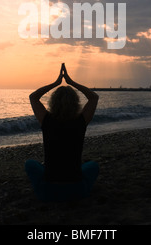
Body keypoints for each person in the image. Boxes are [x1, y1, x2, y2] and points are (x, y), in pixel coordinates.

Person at [25, 63, 99, 202]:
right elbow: (93, 97)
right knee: (92, 166)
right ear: (76, 103)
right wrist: (71, 82)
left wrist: (56, 83)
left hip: (48, 192)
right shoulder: (80, 122)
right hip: (77, 191)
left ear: (53, 103)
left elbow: (33, 97)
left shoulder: (47, 121)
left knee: (30, 164)